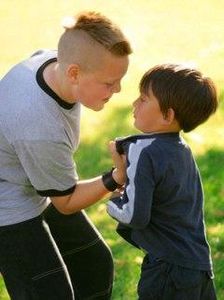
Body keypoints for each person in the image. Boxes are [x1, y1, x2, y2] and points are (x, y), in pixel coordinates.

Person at [0, 11, 131, 300]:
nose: (118, 90)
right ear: (74, 72)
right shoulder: (38, 126)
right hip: (6, 205)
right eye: (109, 83)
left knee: (93, 265)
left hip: (31, 182)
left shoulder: (52, 62)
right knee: (51, 294)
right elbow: (66, 202)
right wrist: (115, 178)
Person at [107, 63, 218, 300]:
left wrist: (113, 200)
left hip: (167, 269)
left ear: (167, 115)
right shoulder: (183, 150)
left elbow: (135, 216)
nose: (134, 104)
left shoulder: (143, 150)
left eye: (144, 99)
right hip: (198, 266)